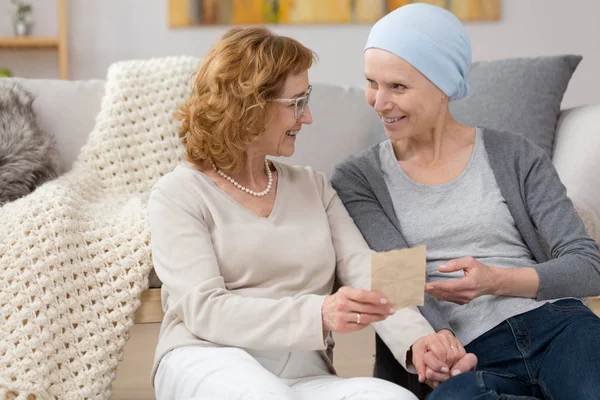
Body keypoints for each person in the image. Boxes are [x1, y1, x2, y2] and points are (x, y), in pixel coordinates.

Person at [147, 27, 476, 400]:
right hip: (205, 359)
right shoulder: (178, 194)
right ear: (249, 105)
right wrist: (319, 313)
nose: (308, 118)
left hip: (305, 373)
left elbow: (368, 270)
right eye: (297, 103)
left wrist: (421, 341)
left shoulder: (313, 186)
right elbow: (203, 309)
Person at [331, 3, 600, 399]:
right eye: (372, 82)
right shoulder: (359, 179)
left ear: (442, 86)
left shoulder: (515, 154)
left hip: (557, 328)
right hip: (466, 356)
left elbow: (587, 266)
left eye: (398, 87)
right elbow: (399, 284)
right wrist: (441, 348)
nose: (378, 101)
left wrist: (495, 279)